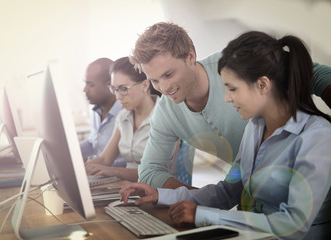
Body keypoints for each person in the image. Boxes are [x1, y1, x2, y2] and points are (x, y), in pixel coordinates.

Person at [120, 31, 331, 239]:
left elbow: (294, 224)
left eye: (232, 88)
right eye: (155, 80)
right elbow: (230, 190)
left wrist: (205, 215)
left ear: (263, 84)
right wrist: (162, 196)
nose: (227, 98)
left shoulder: (316, 136)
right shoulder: (254, 127)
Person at [129, 22, 331, 189]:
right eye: (154, 80)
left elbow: (315, 74)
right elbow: (149, 171)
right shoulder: (165, 112)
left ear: (190, 57)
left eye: (168, 74)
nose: (163, 87)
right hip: (262, 192)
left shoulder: (232, 64)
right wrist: (194, 198)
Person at [84, 57, 161, 182]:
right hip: (127, 188)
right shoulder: (123, 116)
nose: (118, 97)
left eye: (124, 89)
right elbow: (105, 159)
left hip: (156, 191)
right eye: (114, 90)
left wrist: (113, 171)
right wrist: (80, 169)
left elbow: (155, 173)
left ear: (145, 85)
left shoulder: (163, 116)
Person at [79, 58, 126, 167]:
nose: (85, 90)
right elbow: (93, 143)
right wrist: (69, 152)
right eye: (85, 83)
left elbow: (130, 162)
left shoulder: (126, 113)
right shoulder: (96, 111)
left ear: (110, 85)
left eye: (90, 84)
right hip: (102, 172)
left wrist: (93, 164)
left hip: (118, 176)